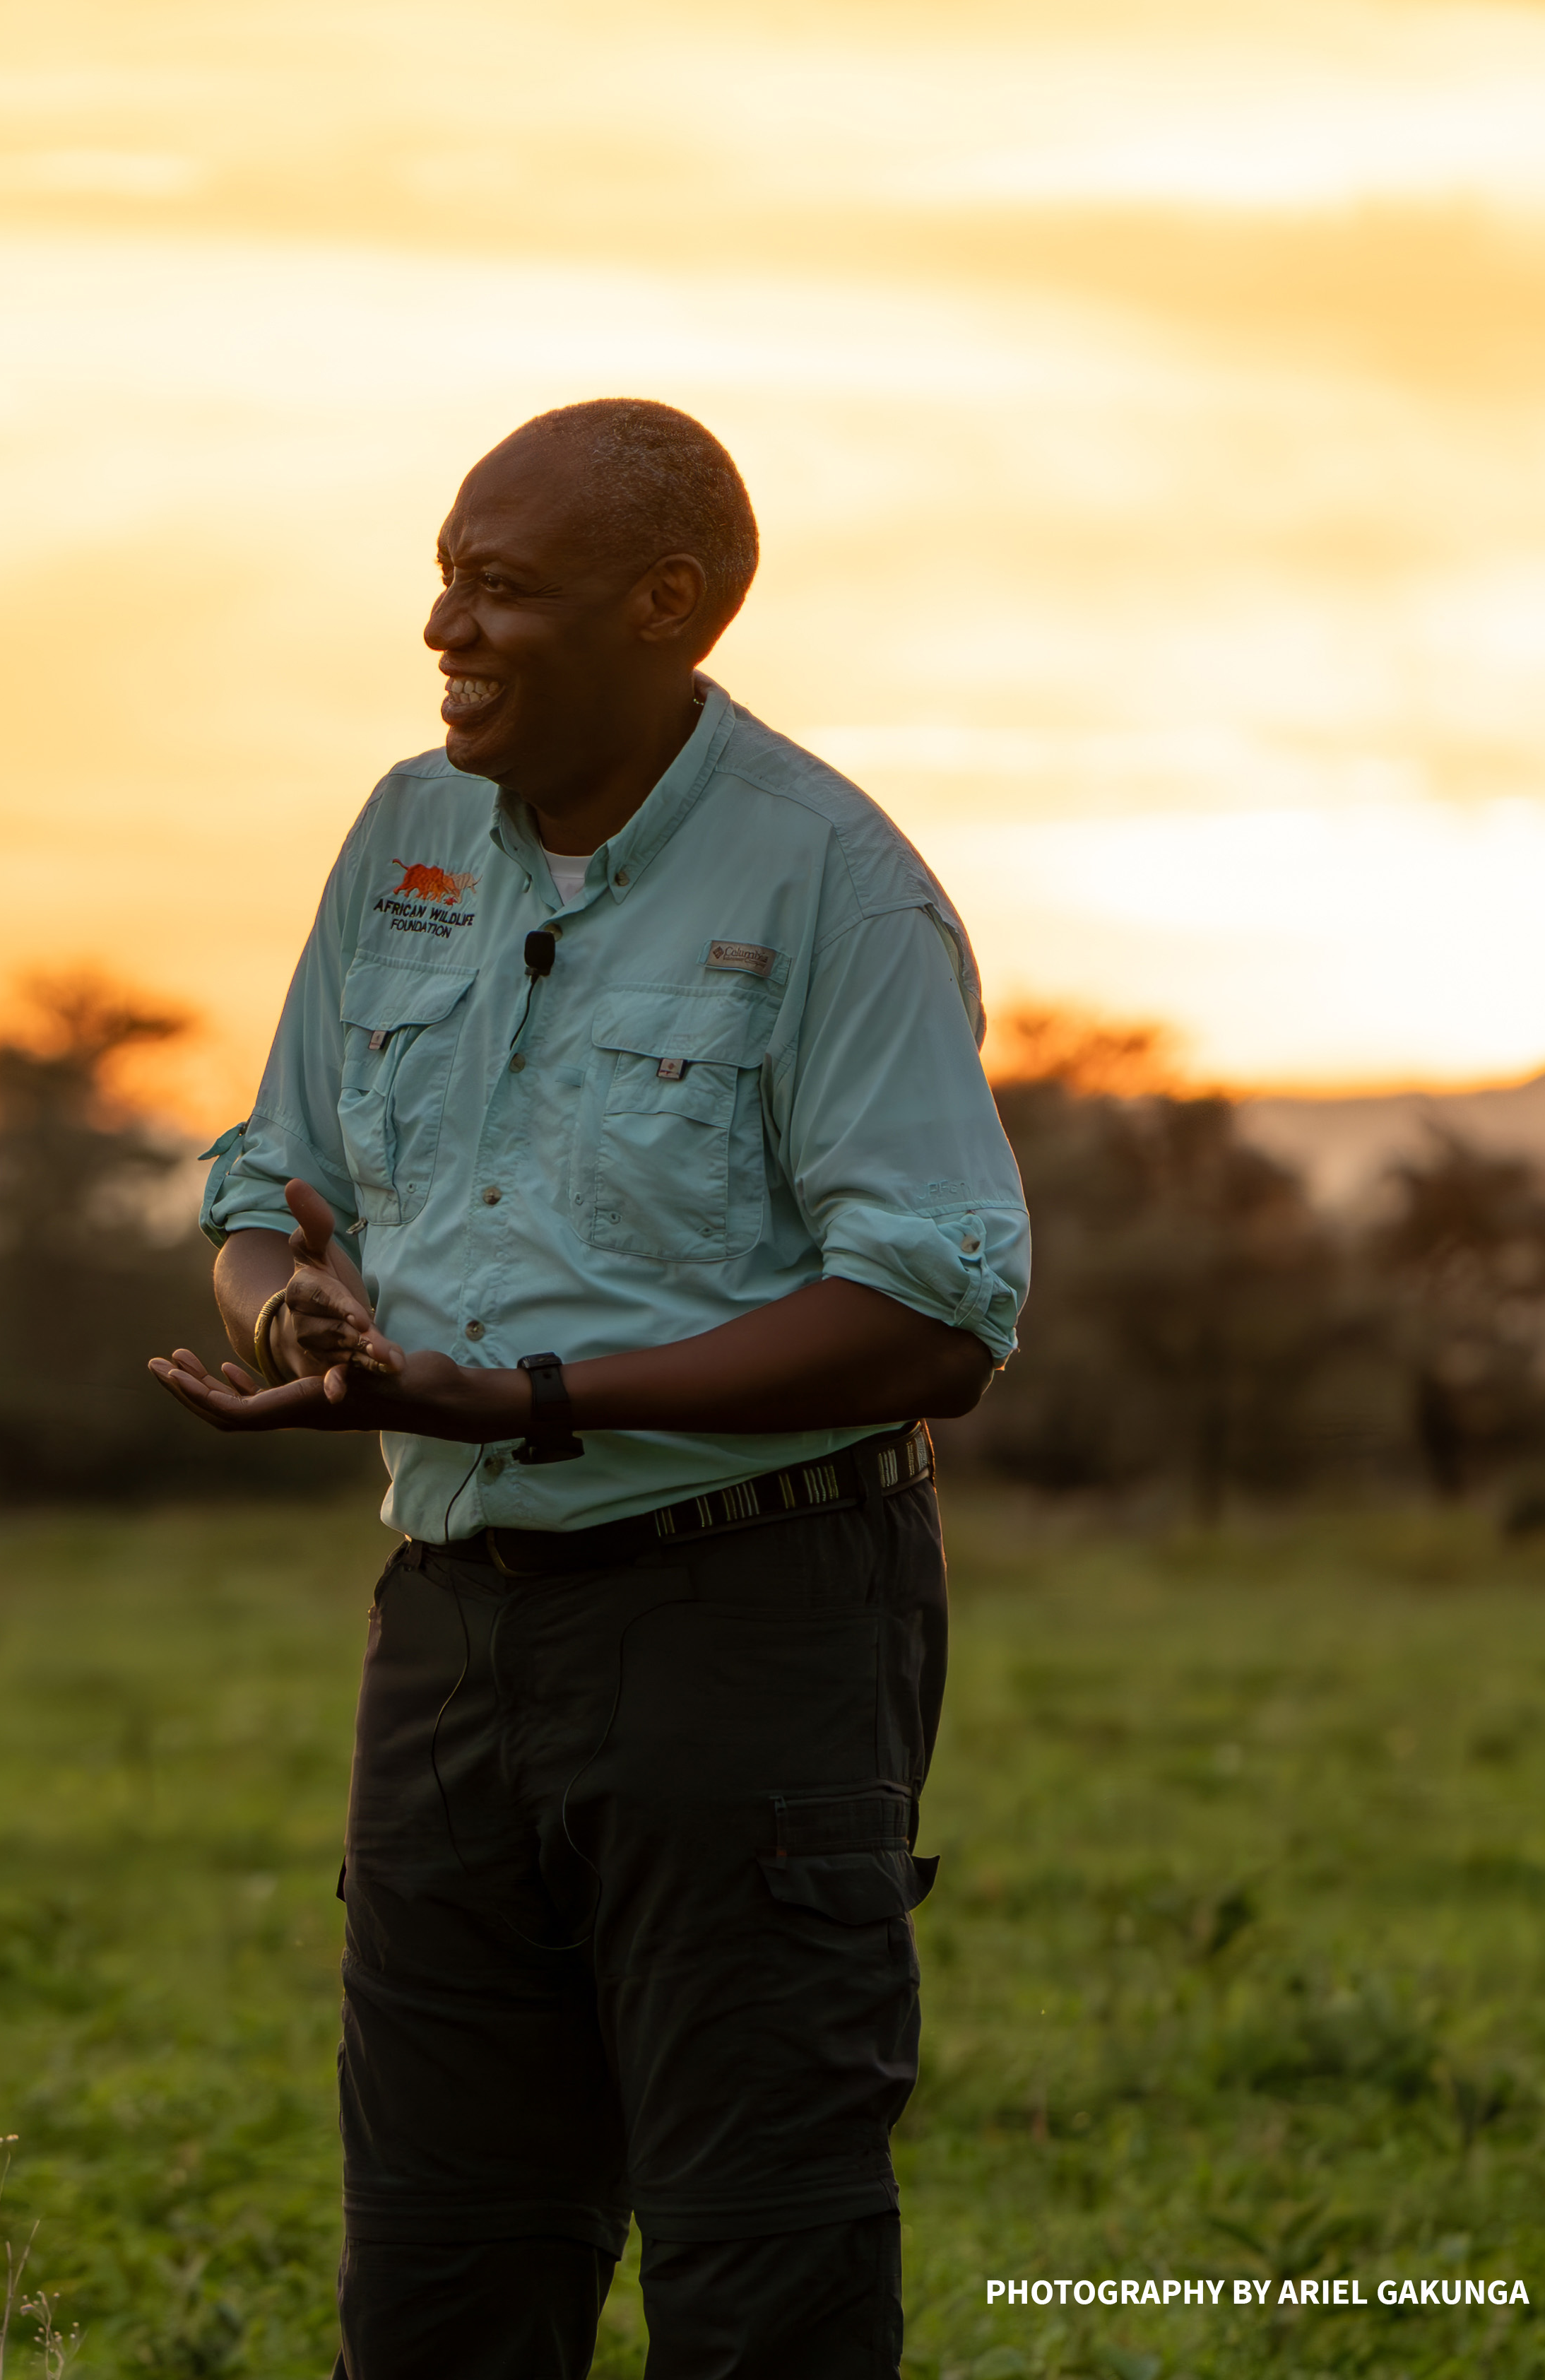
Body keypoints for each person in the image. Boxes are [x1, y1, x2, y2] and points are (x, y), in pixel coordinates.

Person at [148, 400, 1029, 2378]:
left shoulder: (832, 888)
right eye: (448, 577)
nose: (447, 627)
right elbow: (262, 1185)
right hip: (453, 1644)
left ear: (670, 610)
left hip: (755, 1634)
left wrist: (531, 1398)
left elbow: (942, 1315)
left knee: (761, 2286)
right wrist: (304, 1322)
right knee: (445, 2287)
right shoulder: (402, 837)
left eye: (504, 588)